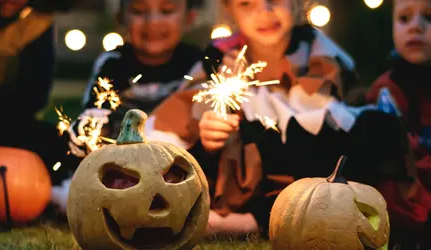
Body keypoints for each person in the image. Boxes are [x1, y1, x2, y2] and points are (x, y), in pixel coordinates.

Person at [145, 0, 370, 238]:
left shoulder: (321, 53)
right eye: (246, 3)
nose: (264, 12)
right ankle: (240, 215)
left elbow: (337, 117)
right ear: (230, 10)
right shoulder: (218, 58)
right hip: (243, 178)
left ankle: (258, 220)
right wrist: (208, 131)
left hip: (309, 170)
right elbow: (184, 113)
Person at [51, 0, 204, 212]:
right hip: (121, 160)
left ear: (190, 18)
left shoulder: (196, 63)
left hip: (175, 163)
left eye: (167, 11)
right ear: (121, 18)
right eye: (139, 12)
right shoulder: (113, 63)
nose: (153, 22)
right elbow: (96, 116)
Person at [0, 0, 76, 205]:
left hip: (3, 123)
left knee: (52, 142)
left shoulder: (34, 22)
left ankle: (63, 185)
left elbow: (32, 96)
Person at [366, 0, 431, 247]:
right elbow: (401, 164)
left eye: (429, 17)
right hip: (406, 210)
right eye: (404, 19)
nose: (416, 27)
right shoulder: (388, 89)